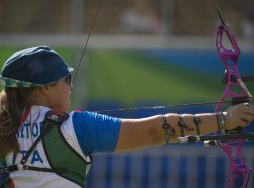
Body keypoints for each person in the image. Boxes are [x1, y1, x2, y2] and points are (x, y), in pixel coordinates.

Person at [0, 46, 253, 188]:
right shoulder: (74, 128)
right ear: (45, 87)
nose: (71, 86)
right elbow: (155, 130)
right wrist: (224, 120)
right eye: (67, 79)